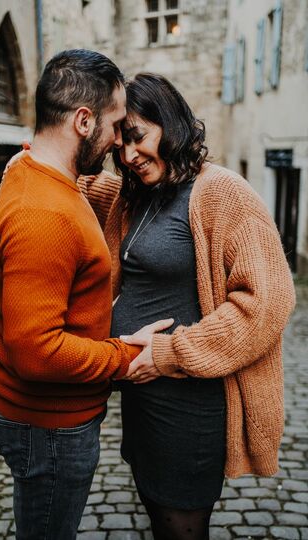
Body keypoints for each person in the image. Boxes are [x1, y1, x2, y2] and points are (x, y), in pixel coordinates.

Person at [79, 72, 296, 540]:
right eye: (120, 146)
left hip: (190, 404)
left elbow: (267, 303)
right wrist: (33, 162)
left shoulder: (223, 194)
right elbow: (84, 185)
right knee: (157, 514)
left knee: (182, 527)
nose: (129, 155)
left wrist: (168, 353)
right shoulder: (137, 195)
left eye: (137, 136)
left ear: (170, 121)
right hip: (143, 399)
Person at [0, 51, 172, 540]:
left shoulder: (32, 170)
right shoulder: (44, 214)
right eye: (114, 126)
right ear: (83, 121)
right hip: (48, 426)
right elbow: (36, 352)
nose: (118, 143)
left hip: (48, 421)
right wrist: (126, 355)